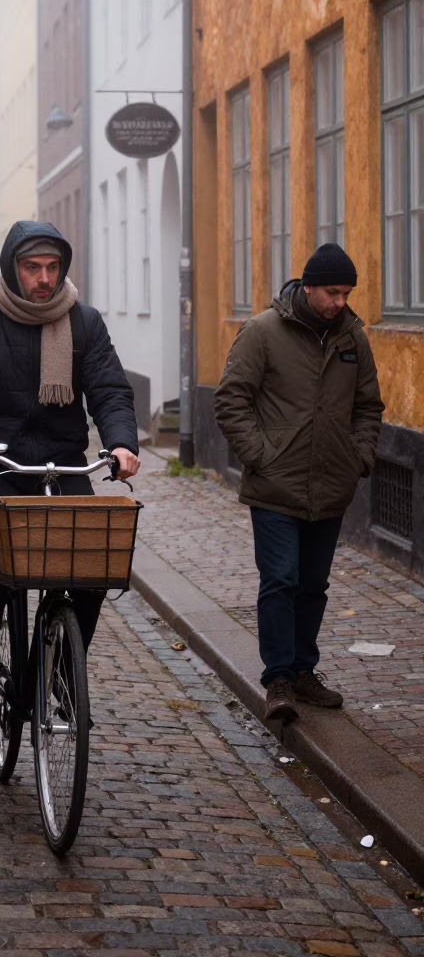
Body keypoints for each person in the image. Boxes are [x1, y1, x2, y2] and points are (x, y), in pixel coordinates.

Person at [0, 220, 140, 719]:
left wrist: (122, 444)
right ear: (13, 268)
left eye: (52, 267)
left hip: (63, 463)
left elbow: (110, 390)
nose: (44, 278)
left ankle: (64, 669)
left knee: (91, 568)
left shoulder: (84, 323)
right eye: (32, 267)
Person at [214, 243, 384, 723]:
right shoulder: (263, 332)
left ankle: (304, 672)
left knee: (314, 584)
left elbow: (369, 406)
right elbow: (231, 400)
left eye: (346, 293)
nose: (339, 302)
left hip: (331, 483)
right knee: (281, 579)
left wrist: (358, 457)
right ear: (308, 286)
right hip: (275, 485)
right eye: (332, 292)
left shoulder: (352, 337)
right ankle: (279, 679)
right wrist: (261, 456)